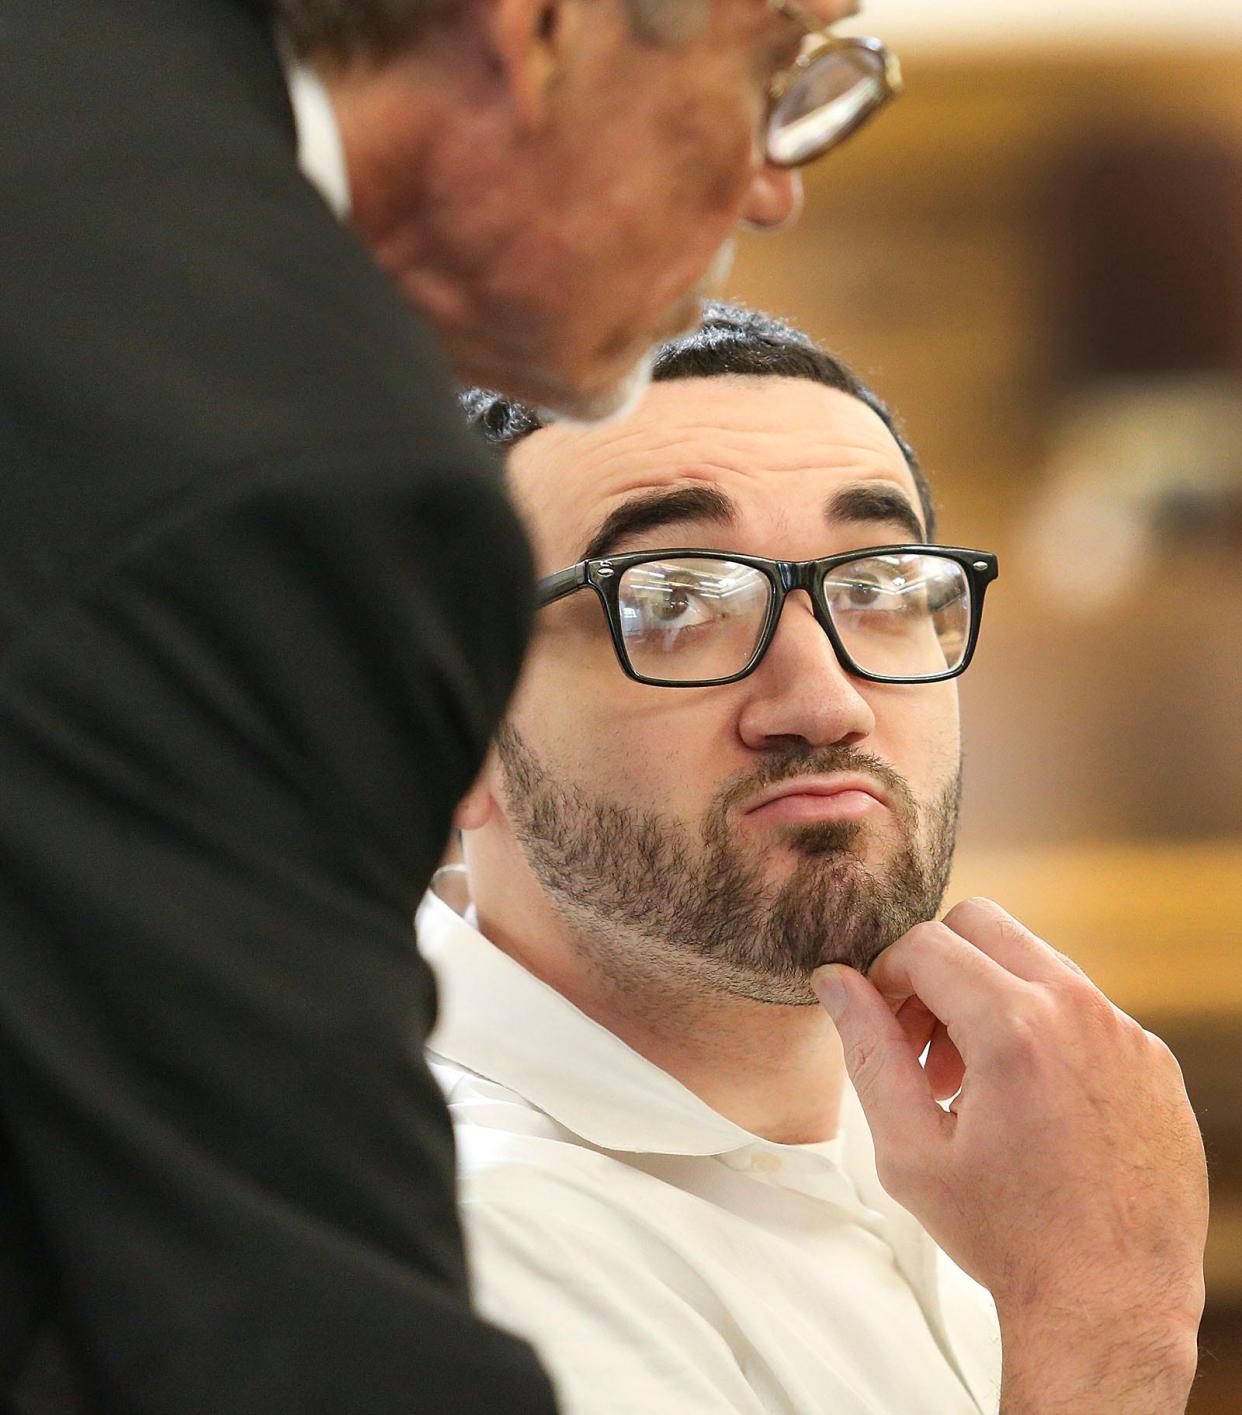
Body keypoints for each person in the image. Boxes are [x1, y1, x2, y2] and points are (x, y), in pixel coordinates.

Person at [0, 2, 901, 1410]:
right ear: (544, 30)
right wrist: (1089, 1343)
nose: (773, 185)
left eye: (882, 579)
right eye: (764, 69)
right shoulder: (274, 450)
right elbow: (265, 1338)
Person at [424, 304, 1210, 1413]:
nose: (826, 701)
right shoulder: (456, 1257)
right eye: (673, 600)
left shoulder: (996, 1145)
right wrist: (1104, 1327)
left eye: (882, 586)